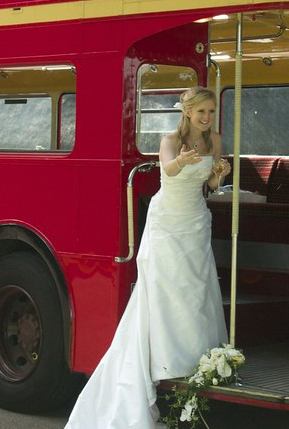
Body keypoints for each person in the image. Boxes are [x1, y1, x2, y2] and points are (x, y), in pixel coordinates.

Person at [66, 86, 231, 429]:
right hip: (168, 220)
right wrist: (181, 161)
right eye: (202, 112)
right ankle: (164, 358)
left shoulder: (215, 140)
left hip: (196, 220)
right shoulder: (170, 139)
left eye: (211, 111)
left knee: (195, 286)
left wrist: (219, 175)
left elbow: (211, 186)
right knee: (166, 284)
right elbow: (167, 171)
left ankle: (194, 358)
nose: (207, 118)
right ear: (187, 112)